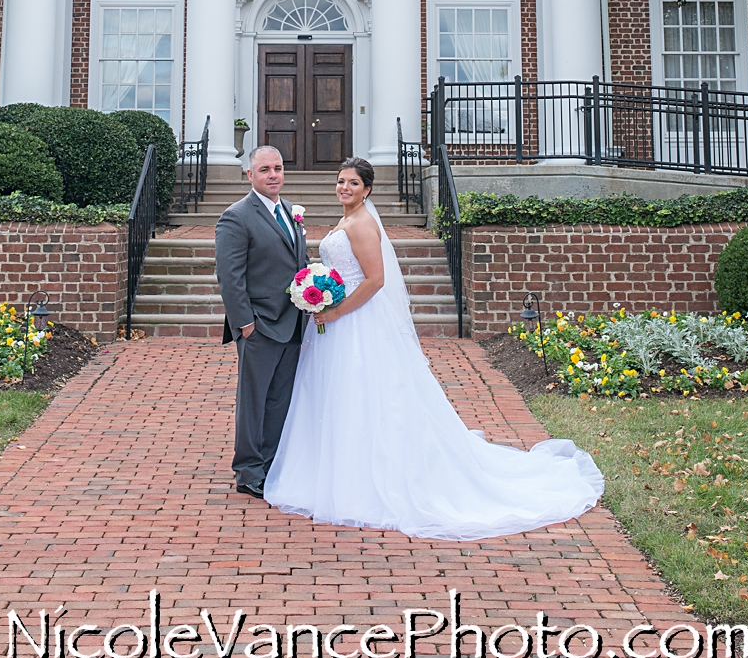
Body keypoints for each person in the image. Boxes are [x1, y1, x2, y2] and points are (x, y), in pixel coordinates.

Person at [264, 157, 604, 538]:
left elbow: (375, 280)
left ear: (368, 189)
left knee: (368, 394)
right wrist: (322, 293)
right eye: (341, 181)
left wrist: (336, 311)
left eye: (353, 183)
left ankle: (370, 479)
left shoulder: (361, 224)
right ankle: (342, 468)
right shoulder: (346, 220)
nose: (345, 188)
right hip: (338, 322)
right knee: (343, 396)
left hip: (357, 323)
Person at [215, 145, 309, 498]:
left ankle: (269, 466)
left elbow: (297, 261)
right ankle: (248, 471)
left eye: (278, 168)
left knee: (279, 400)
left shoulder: (288, 211)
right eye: (265, 169)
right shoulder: (236, 217)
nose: (274, 175)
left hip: (292, 323)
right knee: (254, 401)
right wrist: (246, 325)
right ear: (250, 175)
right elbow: (230, 276)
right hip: (260, 326)